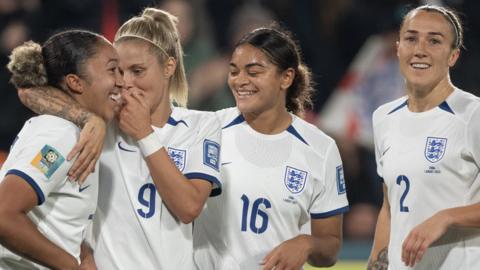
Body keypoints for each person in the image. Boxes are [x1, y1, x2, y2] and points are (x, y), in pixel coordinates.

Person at [16, 8, 222, 270]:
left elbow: (189, 207)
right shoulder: (102, 120)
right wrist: (87, 118)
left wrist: (144, 134)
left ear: (169, 66)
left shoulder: (200, 125)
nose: (125, 82)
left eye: (137, 70)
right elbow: (29, 91)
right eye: (118, 71)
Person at [193, 27, 349, 270]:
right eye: (234, 71)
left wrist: (306, 243)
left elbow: (330, 248)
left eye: (253, 72)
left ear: (286, 78)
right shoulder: (208, 131)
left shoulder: (320, 148)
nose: (240, 80)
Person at [369, 4, 480, 270]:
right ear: (398, 48)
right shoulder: (384, 118)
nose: (420, 49)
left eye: (434, 41)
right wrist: (375, 265)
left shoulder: (472, 115)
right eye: (411, 38)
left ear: (453, 56)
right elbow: (389, 208)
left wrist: (447, 217)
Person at [0, 30, 123, 269]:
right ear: (75, 82)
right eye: (112, 70)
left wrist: (82, 254)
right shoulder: (61, 134)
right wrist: (69, 265)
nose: (121, 81)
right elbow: (4, 215)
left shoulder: (76, 132)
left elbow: (53, 220)